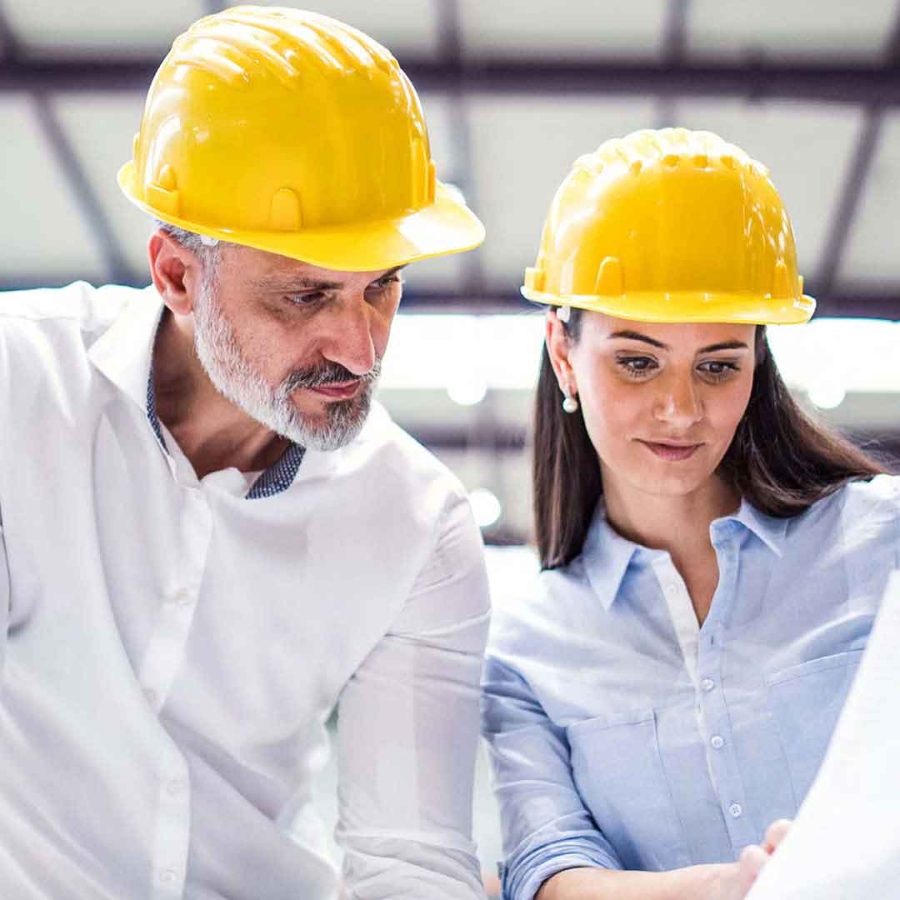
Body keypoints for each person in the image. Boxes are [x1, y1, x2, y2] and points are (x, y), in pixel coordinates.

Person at [0, 7, 490, 899]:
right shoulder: (16, 392)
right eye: (305, 297)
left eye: (382, 287)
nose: (363, 348)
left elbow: (411, 863)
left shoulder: (419, 525)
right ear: (178, 276)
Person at [481, 128, 899, 900]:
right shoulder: (524, 647)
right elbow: (551, 875)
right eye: (637, 361)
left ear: (757, 362)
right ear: (564, 353)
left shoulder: (884, 550)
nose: (680, 409)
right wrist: (734, 887)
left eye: (718, 365)